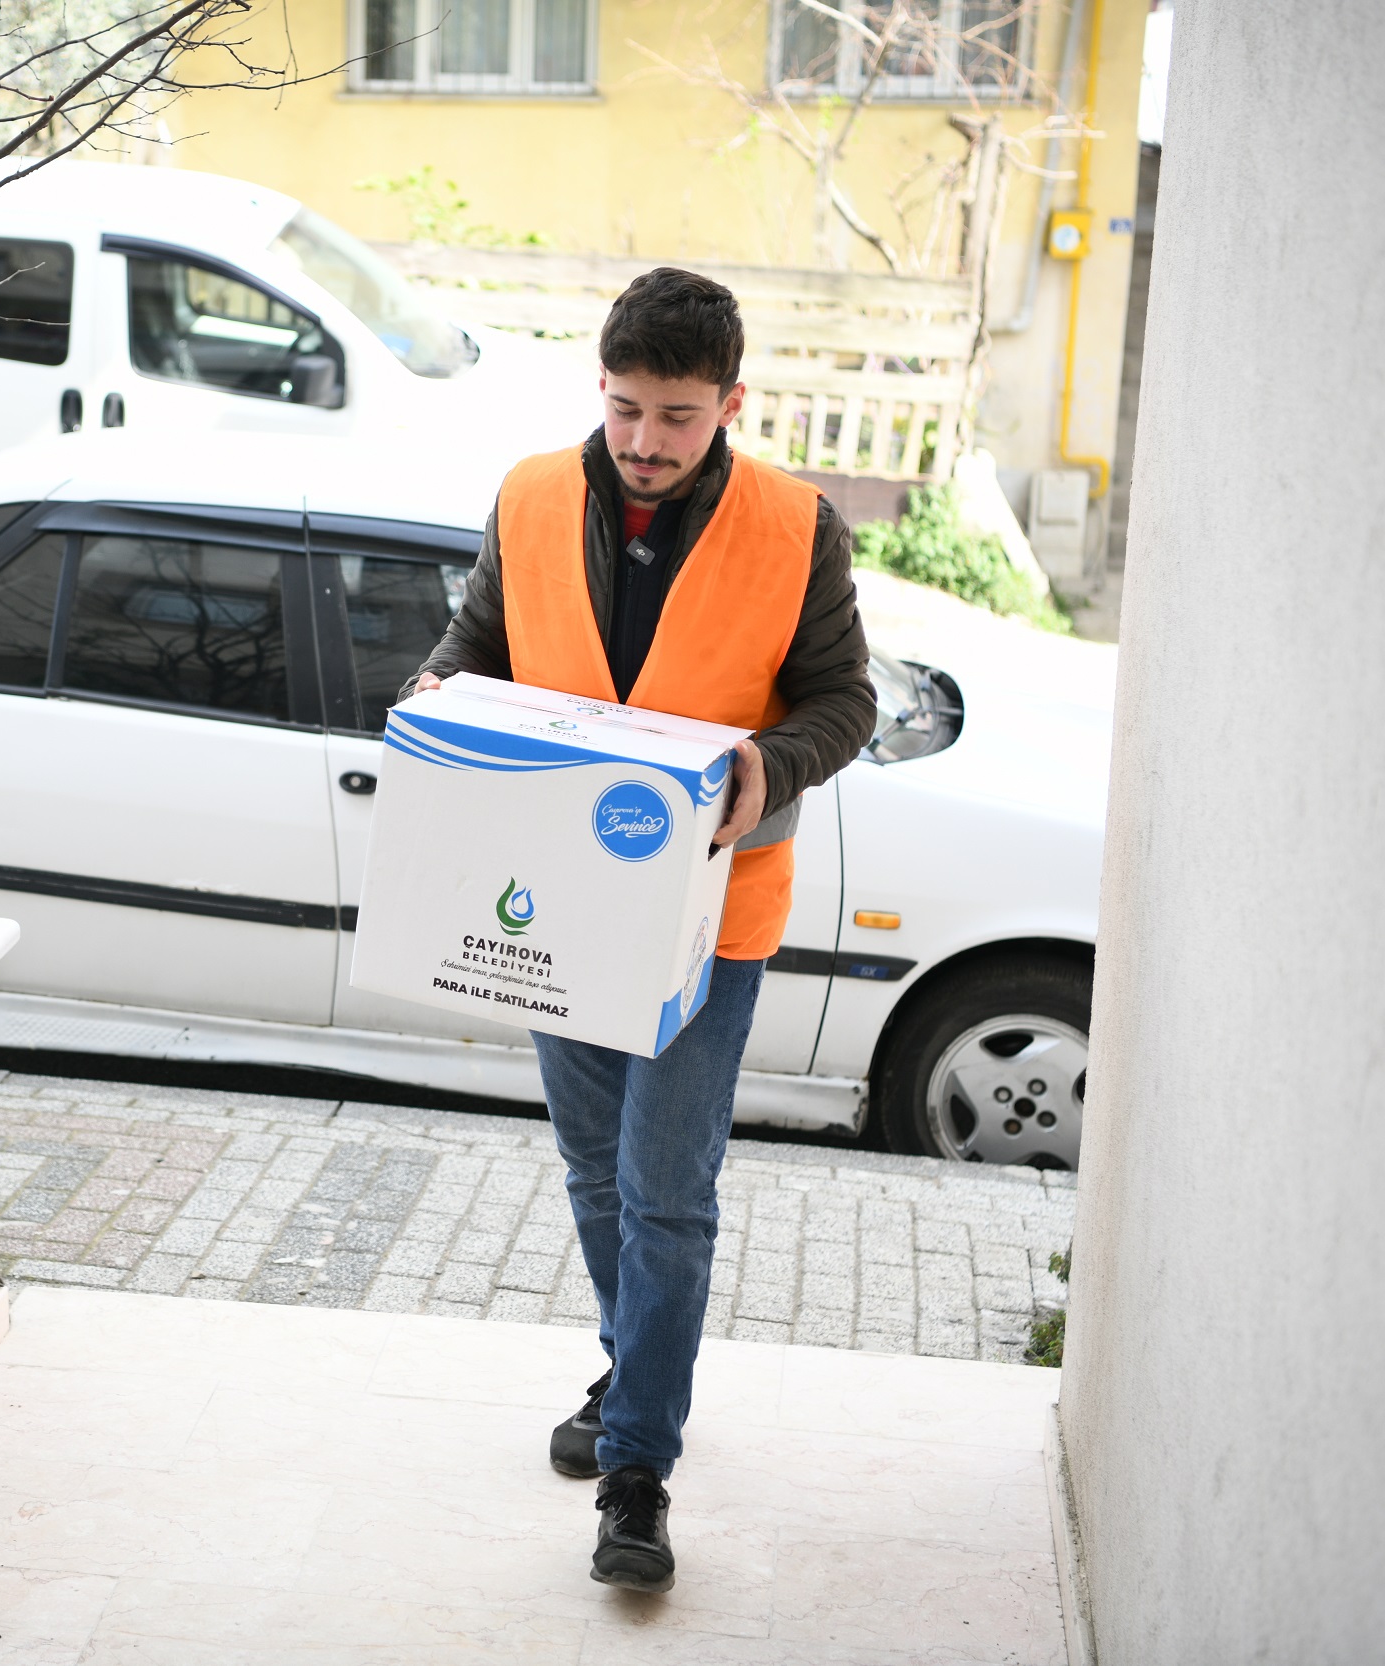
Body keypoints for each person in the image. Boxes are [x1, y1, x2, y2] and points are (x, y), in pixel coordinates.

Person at [407, 267, 876, 1593]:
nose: (645, 442)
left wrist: (764, 771)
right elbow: (481, 634)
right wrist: (442, 687)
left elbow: (842, 697)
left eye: (676, 415)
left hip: (713, 918)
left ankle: (636, 1471)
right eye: (624, 410)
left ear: (732, 401)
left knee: (666, 1190)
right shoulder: (531, 494)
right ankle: (635, 1371)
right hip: (564, 901)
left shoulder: (797, 526)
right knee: (594, 1165)